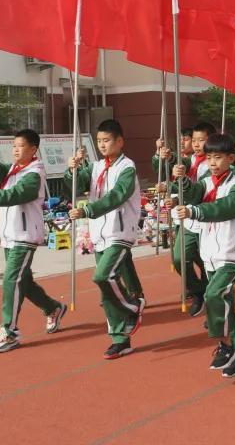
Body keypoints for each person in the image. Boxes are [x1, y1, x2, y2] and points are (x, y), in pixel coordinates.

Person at [0, 128, 67, 354]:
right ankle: (53, 308)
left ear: (33, 149)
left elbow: (19, 194)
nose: (15, 150)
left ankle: (8, 331)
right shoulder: (13, 170)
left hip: (25, 236)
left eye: (20, 146)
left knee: (11, 280)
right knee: (25, 282)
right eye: (13, 146)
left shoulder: (34, 173)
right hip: (10, 237)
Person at [172, 133, 235, 378]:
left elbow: (228, 207)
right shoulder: (206, 181)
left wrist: (194, 211)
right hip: (210, 252)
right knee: (227, 303)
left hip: (231, 253)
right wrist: (182, 180)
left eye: (218, 157)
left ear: (231, 158)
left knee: (214, 294)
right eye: (209, 158)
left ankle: (225, 344)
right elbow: (194, 194)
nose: (213, 163)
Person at [66, 119, 145, 360]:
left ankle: (132, 307)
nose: (102, 145)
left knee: (103, 276)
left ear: (120, 141)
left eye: (107, 140)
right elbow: (74, 185)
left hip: (120, 232)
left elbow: (117, 195)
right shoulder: (97, 166)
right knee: (105, 289)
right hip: (100, 233)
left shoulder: (127, 167)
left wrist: (89, 210)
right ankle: (120, 339)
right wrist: (73, 169)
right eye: (99, 141)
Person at [155, 121, 215, 317]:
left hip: (208, 217)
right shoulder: (191, 160)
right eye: (194, 140)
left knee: (209, 259)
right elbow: (174, 164)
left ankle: (211, 294)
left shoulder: (214, 163)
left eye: (201, 140)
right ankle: (197, 290)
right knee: (179, 258)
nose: (197, 144)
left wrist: (172, 189)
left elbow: (198, 190)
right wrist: (166, 156)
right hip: (188, 217)